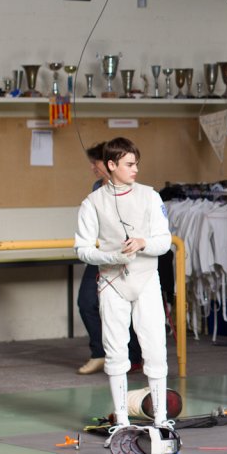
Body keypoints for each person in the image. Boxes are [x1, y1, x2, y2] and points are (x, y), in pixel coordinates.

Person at [74, 137, 172, 438]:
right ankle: (121, 418)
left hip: (146, 279)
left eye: (136, 163)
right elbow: (82, 249)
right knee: (115, 349)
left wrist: (142, 243)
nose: (135, 169)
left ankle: (161, 418)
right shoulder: (92, 202)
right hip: (111, 282)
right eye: (129, 164)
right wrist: (112, 257)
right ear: (111, 165)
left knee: (155, 346)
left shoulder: (150, 196)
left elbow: (164, 241)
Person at [76, 142, 143, 375]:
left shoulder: (137, 191)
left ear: (109, 164)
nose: (92, 168)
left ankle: (133, 357)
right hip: (103, 256)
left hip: (130, 258)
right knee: (86, 302)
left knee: (130, 307)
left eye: (95, 163)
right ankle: (100, 353)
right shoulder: (96, 190)